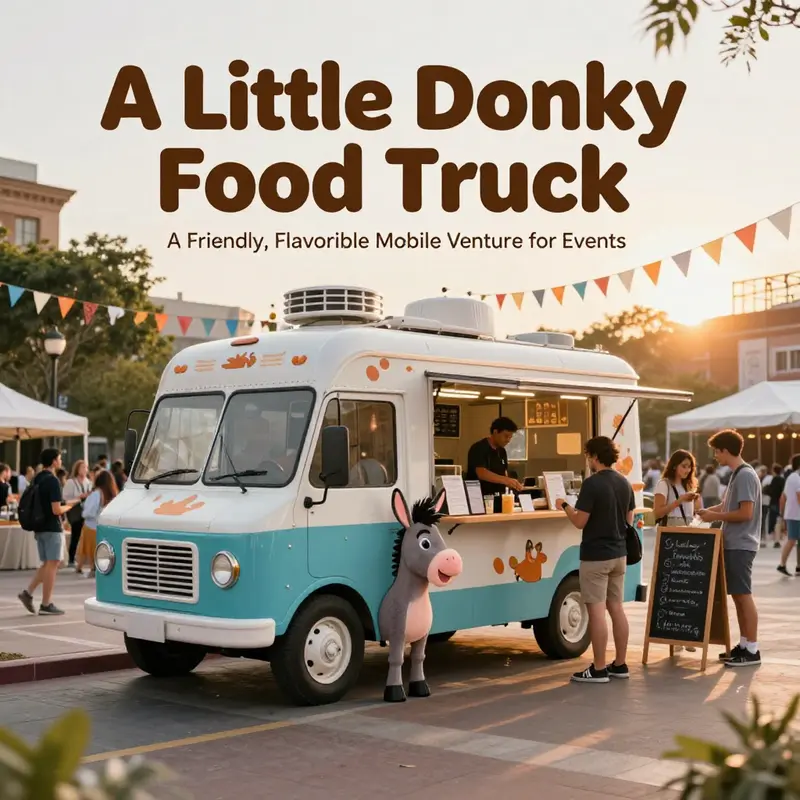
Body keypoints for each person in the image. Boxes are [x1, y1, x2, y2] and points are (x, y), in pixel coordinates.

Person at [556, 436, 633, 684]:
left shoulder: (592, 484)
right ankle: (619, 664)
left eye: (588, 455)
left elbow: (580, 521)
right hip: (619, 554)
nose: (587, 460)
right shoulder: (624, 482)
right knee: (616, 609)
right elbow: (629, 522)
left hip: (595, 556)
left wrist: (564, 505)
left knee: (597, 612)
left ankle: (598, 668)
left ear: (595, 457)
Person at [697, 429, 762, 667]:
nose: (715, 456)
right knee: (737, 596)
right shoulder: (738, 474)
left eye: (716, 451)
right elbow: (727, 505)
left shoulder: (744, 475)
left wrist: (713, 515)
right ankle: (744, 645)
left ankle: (752, 649)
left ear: (725, 450)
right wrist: (708, 513)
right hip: (735, 543)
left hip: (741, 544)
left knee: (743, 596)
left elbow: (746, 512)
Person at [17, 448, 79, 616]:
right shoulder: (53, 480)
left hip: (39, 527)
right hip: (52, 527)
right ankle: (46, 603)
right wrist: (70, 506)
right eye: (59, 458)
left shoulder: (37, 478)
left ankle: (28, 593)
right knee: (53, 564)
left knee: (46, 564)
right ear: (53, 461)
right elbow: (56, 509)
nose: (61, 461)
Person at [653, 449, 701, 654]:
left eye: (689, 466)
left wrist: (696, 503)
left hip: (689, 533)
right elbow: (657, 512)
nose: (687, 470)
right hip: (671, 535)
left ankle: (688, 634)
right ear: (674, 465)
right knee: (671, 586)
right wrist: (680, 501)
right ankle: (675, 637)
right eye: (683, 465)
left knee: (688, 586)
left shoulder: (689, 484)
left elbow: (696, 512)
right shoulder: (664, 484)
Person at [465, 417, 523, 497]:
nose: (508, 440)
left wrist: (512, 483)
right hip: (479, 497)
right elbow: (481, 472)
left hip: (499, 498)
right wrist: (505, 480)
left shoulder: (502, 451)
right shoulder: (478, 448)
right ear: (495, 432)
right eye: (506, 436)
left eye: (510, 437)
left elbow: (504, 473)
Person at [77, 469, 118, 578]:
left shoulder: (96, 494)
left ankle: (92, 569)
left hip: (91, 526)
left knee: (90, 550)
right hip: (102, 526)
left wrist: (83, 512)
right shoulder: (112, 494)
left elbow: (89, 512)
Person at [63, 460, 92, 569]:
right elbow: (65, 498)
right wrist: (80, 497)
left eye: (86, 468)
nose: (85, 470)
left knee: (85, 535)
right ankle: (71, 558)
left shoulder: (88, 482)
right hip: (75, 511)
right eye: (82, 467)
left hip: (86, 511)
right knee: (76, 534)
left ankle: (82, 558)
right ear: (77, 469)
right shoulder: (71, 482)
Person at [777, 454, 800, 577]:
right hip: (796, 515)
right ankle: (782, 564)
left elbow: (783, 497)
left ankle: (798, 566)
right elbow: (799, 496)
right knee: (792, 540)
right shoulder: (796, 478)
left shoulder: (791, 477)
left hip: (792, 514)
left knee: (795, 540)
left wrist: (782, 513)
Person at [766, 463, 786, 549]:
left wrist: (766, 489)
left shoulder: (775, 479)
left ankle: (776, 540)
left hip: (774, 502)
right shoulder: (783, 479)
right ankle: (777, 539)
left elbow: (772, 491)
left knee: (774, 522)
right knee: (779, 521)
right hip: (781, 502)